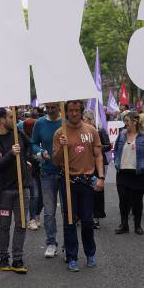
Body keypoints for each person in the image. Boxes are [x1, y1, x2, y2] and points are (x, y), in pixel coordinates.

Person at [52, 100, 105, 272]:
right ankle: (72, 256)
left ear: (81, 111)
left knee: (88, 221)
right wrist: (62, 146)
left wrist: (101, 177)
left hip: (88, 181)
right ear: (66, 112)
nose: (74, 113)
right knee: (69, 221)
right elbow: (56, 161)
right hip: (68, 181)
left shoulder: (91, 131)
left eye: (77, 110)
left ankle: (90, 253)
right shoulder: (60, 132)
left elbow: (98, 156)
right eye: (71, 110)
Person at [0, 107, 31, 273]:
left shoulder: (18, 133)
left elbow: (29, 146)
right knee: (4, 226)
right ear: (2, 120)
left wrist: (27, 160)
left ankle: (17, 260)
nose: (15, 119)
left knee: (22, 224)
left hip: (22, 187)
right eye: (11, 117)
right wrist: (11, 153)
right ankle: (4, 258)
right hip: (4, 191)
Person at [112, 111, 144, 235]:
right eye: (124, 121)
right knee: (123, 200)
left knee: (137, 201)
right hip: (122, 173)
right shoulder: (122, 134)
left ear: (135, 121)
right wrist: (116, 161)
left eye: (127, 121)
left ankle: (137, 225)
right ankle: (124, 224)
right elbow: (115, 150)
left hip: (138, 173)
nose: (125, 123)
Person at [31, 102, 64, 258]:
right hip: (46, 173)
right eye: (48, 108)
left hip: (65, 172)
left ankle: (68, 244)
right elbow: (33, 144)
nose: (50, 110)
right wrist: (40, 151)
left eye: (53, 107)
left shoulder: (66, 122)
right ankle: (51, 243)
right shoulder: (40, 123)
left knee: (67, 211)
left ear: (58, 107)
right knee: (49, 212)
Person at [83, 110, 112, 229]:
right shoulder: (81, 132)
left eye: (84, 119)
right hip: (85, 164)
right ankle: (84, 215)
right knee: (84, 189)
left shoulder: (99, 131)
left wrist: (97, 148)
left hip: (98, 164)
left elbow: (108, 145)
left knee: (97, 190)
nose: (82, 122)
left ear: (90, 119)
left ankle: (96, 217)